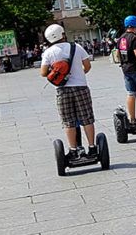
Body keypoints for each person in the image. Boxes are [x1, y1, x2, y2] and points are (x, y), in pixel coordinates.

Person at [40, 23, 97, 157]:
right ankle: (92, 147)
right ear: (63, 34)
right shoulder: (76, 47)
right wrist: (79, 74)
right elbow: (87, 66)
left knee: (68, 120)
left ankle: (73, 149)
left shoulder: (48, 52)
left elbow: (43, 73)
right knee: (87, 118)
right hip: (81, 87)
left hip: (63, 89)